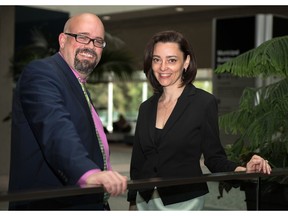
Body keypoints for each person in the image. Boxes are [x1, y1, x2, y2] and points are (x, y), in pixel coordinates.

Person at [127, 30, 271, 211]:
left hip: (184, 200)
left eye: (172, 60)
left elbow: (214, 157)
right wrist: (133, 201)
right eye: (157, 59)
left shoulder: (203, 103)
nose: (163, 67)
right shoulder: (146, 107)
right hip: (144, 200)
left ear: (186, 62)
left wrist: (242, 170)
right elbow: (138, 161)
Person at [8, 13, 127, 210]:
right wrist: (87, 173)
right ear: (63, 40)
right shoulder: (42, 73)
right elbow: (55, 128)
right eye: (82, 37)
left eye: (98, 41)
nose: (90, 46)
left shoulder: (78, 85)